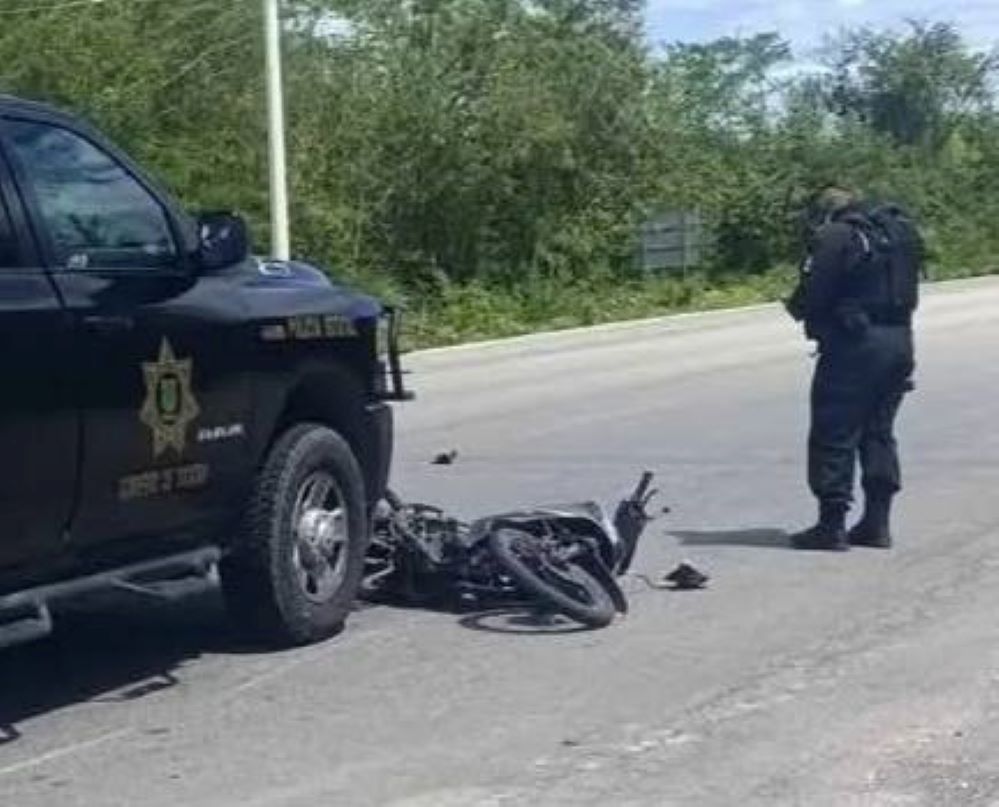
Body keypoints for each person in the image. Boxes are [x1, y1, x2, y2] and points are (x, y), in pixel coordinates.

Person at [785, 186, 922, 551]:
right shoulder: (897, 232)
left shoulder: (838, 235)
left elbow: (816, 292)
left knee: (834, 431)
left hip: (855, 343)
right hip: (899, 341)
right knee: (879, 432)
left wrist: (812, 316)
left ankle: (831, 525)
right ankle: (877, 523)